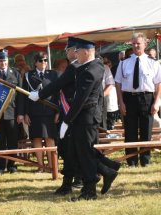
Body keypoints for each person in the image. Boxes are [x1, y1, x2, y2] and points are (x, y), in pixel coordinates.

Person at [29, 38, 120, 199]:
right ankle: (105, 172)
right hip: (78, 116)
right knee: (80, 151)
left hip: (85, 116)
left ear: (86, 51)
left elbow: (80, 99)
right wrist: (41, 95)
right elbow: (61, 84)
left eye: (77, 51)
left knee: (84, 153)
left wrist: (66, 121)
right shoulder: (85, 66)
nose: (74, 53)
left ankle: (90, 189)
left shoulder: (92, 69)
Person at [115, 32, 161, 167]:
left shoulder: (153, 63)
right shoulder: (124, 63)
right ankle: (131, 160)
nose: (135, 46)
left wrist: (157, 102)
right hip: (129, 98)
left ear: (145, 44)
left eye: (138, 43)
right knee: (130, 131)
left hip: (147, 98)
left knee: (146, 130)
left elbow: (158, 84)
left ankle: (145, 160)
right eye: (133, 43)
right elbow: (118, 83)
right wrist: (121, 102)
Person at [22, 52, 59, 172]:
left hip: (50, 111)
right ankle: (41, 167)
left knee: (50, 139)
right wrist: (25, 113)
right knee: (36, 139)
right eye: (41, 60)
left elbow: (58, 94)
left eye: (45, 60)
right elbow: (24, 96)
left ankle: (52, 166)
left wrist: (59, 111)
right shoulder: (28, 75)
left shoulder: (53, 74)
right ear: (35, 62)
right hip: (34, 112)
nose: (44, 63)